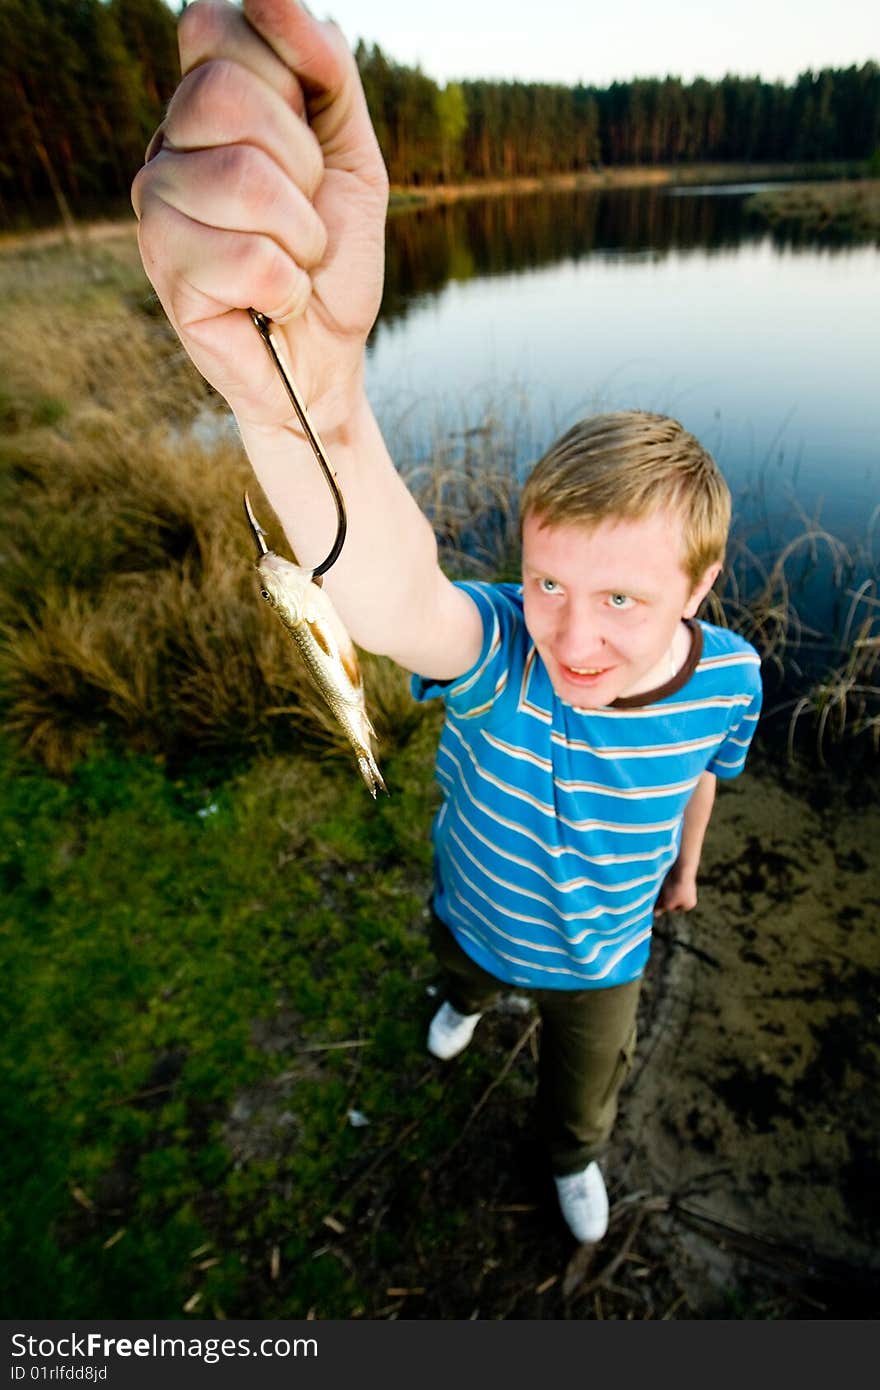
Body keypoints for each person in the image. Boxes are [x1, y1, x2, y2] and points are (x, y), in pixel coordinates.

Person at [132, 0, 762, 1244]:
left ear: (698, 591)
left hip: (604, 957)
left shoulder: (730, 679)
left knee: (584, 1079)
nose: (572, 636)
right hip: (478, 907)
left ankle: (571, 1154)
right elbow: (394, 592)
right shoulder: (502, 659)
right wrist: (305, 405)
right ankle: (465, 1000)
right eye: (547, 582)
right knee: (459, 970)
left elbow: (704, 776)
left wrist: (686, 866)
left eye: (623, 598)